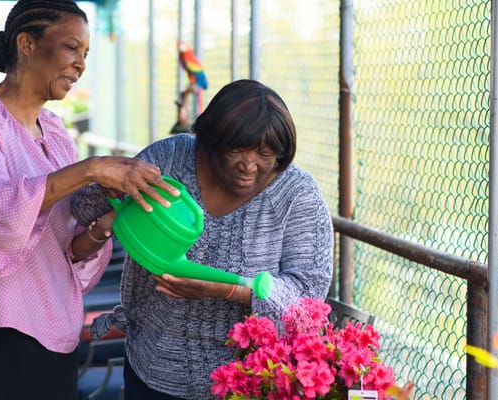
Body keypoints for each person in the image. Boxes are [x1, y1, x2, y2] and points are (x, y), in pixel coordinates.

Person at [0, 1, 178, 399]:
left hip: (52, 330)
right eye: (71, 48)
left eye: (86, 54)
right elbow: (2, 213)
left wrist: (107, 221)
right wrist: (92, 169)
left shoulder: (57, 136)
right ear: (27, 44)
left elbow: (67, 250)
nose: (80, 65)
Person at [71, 79, 334, 399]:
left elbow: (307, 301)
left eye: (265, 154)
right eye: (236, 149)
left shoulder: (296, 195)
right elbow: (82, 209)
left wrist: (232, 291)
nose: (249, 166)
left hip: (246, 384)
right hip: (152, 366)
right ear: (209, 140)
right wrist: (107, 184)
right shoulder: (169, 160)